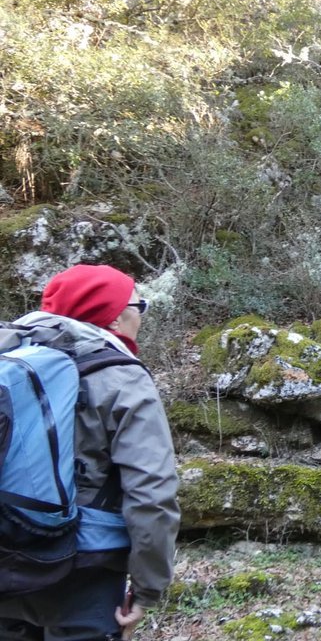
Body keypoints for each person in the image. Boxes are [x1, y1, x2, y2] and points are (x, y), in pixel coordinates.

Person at [0, 264, 180, 640]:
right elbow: (152, 491)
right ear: (115, 316)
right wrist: (148, 589)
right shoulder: (122, 378)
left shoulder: (9, 357)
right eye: (139, 305)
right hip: (85, 568)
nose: (140, 315)